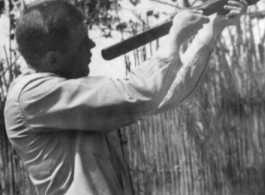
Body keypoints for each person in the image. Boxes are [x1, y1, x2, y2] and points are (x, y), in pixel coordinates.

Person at [4, 0, 247, 195]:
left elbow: (163, 96)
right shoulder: (30, 95)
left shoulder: (65, 96)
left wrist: (213, 27)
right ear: (54, 59)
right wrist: (174, 38)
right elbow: (141, 91)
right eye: (82, 42)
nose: (92, 45)